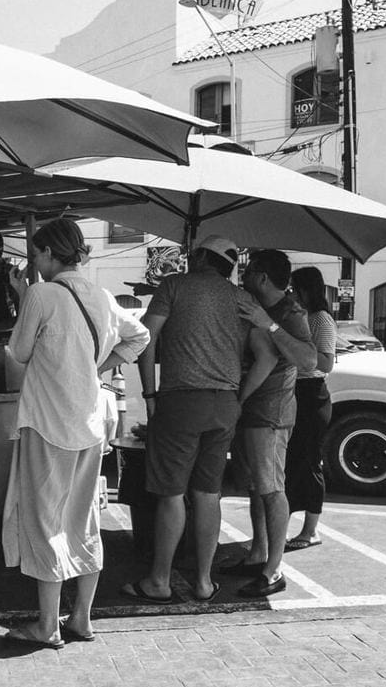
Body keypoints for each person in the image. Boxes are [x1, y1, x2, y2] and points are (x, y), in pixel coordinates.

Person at [1, 219, 149, 647]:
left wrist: (21, 298)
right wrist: (98, 368)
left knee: (44, 520)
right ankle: (81, 618)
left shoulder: (40, 294)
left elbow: (20, 352)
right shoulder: (101, 296)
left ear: (49, 253)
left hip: (48, 424)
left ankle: (47, 625)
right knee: (84, 519)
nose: (35, 262)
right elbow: (139, 336)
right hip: (89, 424)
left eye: (37, 253)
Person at [120, 235, 276, 605]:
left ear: (203, 257)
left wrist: (149, 395)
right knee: (209, 494)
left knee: (172, 494)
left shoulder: (174, 286)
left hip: (179, 401)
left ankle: (159, 581)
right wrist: (238, 396)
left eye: (193, 254)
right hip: (224, 405)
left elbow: (145, 340)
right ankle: (205, 583)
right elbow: (267, 357)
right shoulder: (242, 299)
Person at [226, 249, 318, 599]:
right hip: (252, 410)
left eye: (248, 271)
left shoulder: (290, 312)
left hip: (271, 413)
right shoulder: (257, 305)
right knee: (255, 487)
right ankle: (258, 553)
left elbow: (310, 360)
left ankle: (273, 569)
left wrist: (269, 324)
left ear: (263, 277)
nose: (243, 277)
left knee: (270, 488)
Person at [285, 266, 336, 551]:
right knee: (294, 462)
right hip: (298, 393)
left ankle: (310, 530)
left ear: (307, 289)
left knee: (309, 463)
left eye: (294, 287)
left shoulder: (320, 319)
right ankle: (289, 524)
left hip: (312, 394)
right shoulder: (303, 317)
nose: (291, 292)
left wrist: (299, 354)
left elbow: (326, 363)